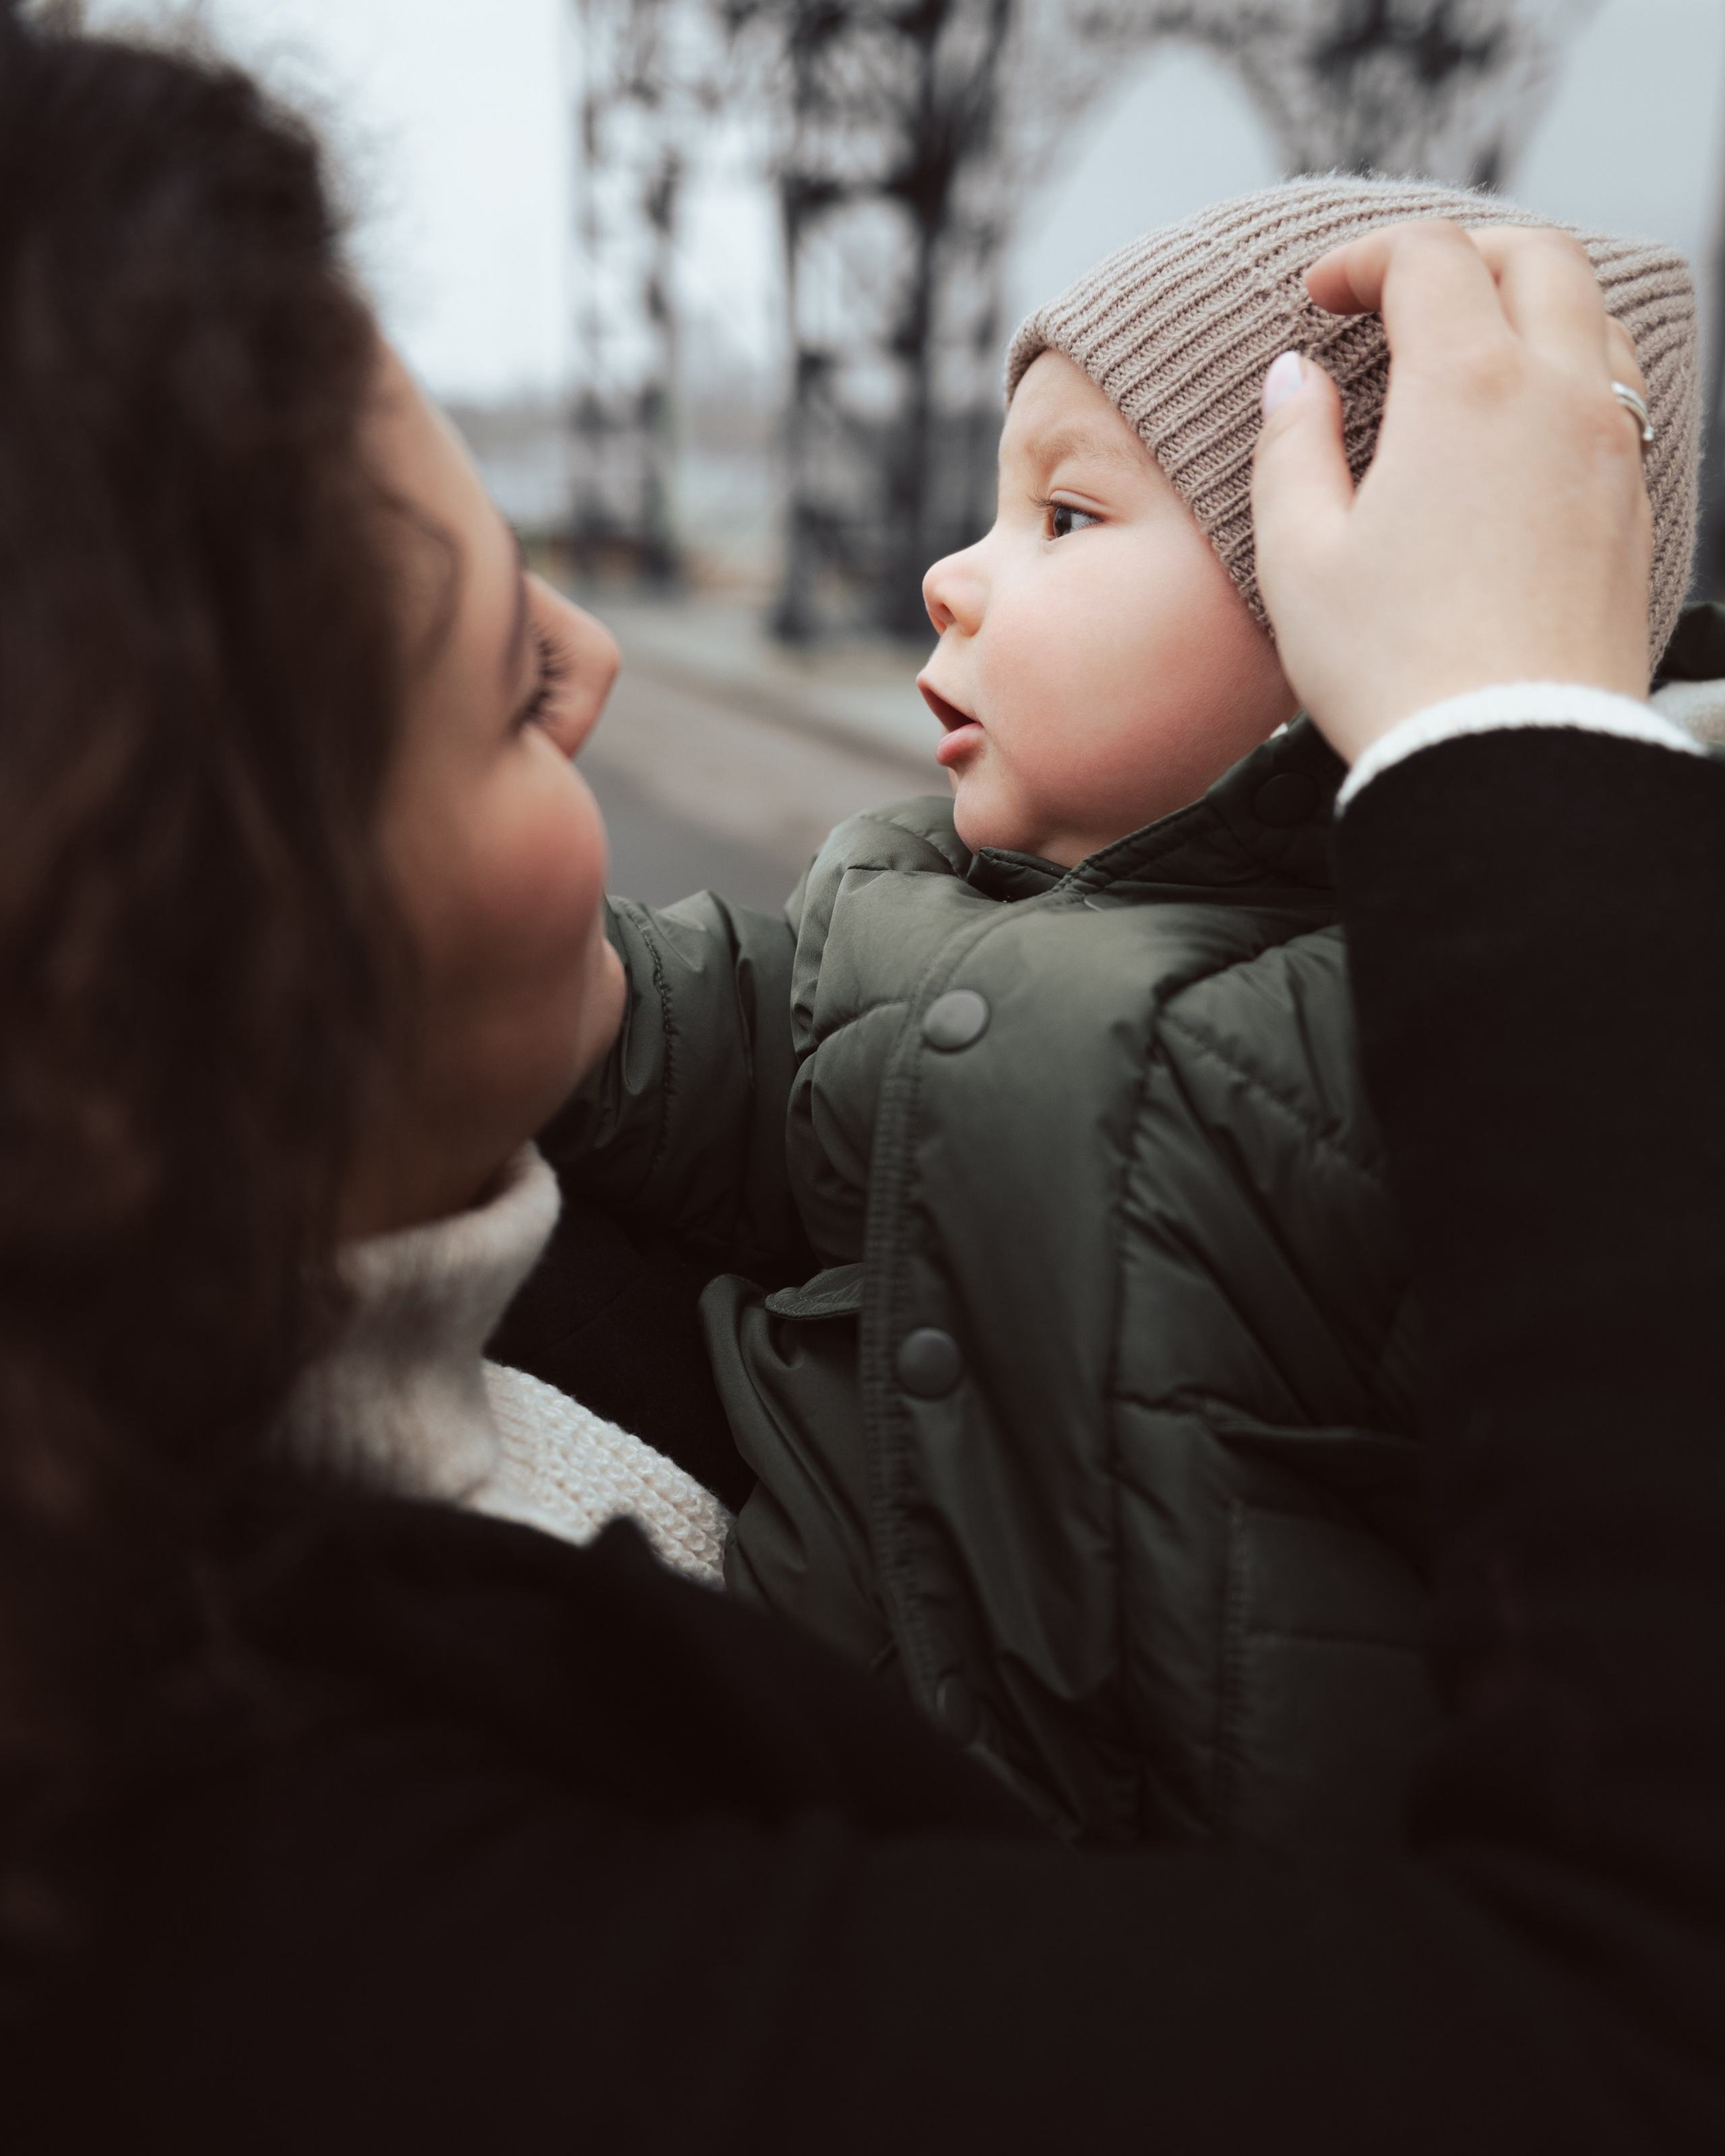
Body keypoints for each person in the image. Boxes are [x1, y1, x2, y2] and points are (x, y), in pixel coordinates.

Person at [3, 12, 1723, 2151]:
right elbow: (1627, 2031)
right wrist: (1523, 779)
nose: (595, 656)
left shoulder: (1371, 1025)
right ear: (156, 884)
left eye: (1072, 515)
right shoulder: (318, 1935)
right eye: (484, 669)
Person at [526, 177, 1702, 1849]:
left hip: (1212, 1945)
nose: (950, 575)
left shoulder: (1443, 1027)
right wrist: (573, 985)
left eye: (1061, 519)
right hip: (821, 1781)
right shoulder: (906, 888)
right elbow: (752, 1043)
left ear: (1362, 594)